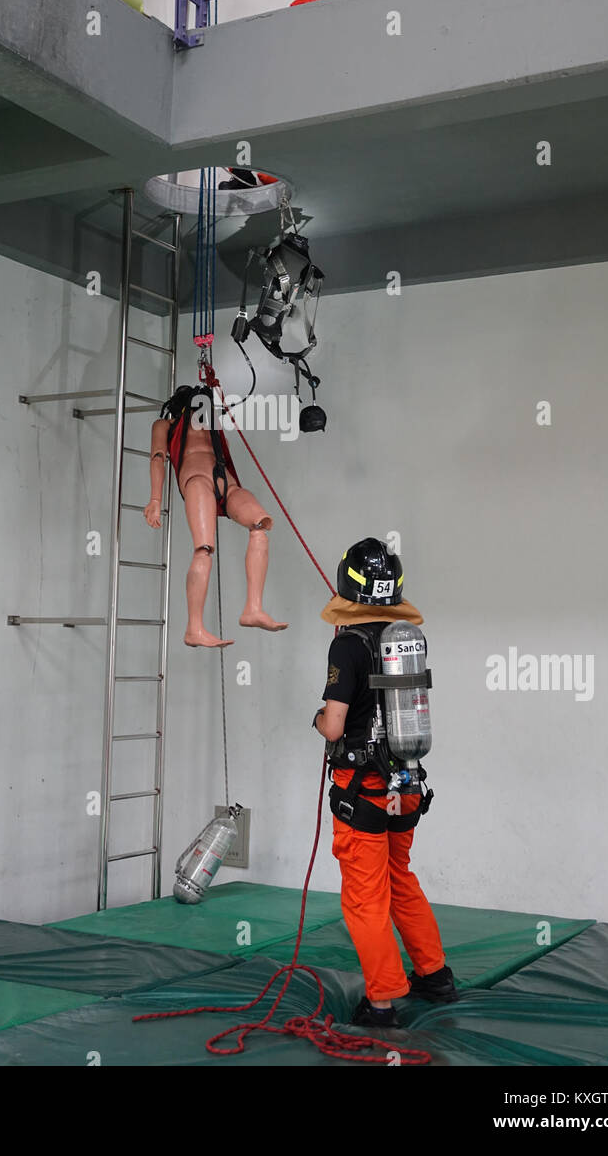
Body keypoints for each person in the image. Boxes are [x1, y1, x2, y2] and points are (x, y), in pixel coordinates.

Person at [313, 537, 458, 1027]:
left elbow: (334, 725)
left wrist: (318, 719)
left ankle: (381, 1002)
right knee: (401, 880)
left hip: (362, 794)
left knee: (364, 896)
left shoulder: (347, 645)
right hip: (407, 788)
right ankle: (434, 975)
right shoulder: (407, 641)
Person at [144, 383, 287, 648]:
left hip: (226, 482)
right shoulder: (166, 426)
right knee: (203, 549)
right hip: (196, 479)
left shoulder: (214, 427)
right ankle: (194, 628)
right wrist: (155, 498)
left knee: (260, 525)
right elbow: (157, 458)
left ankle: (253, 608)